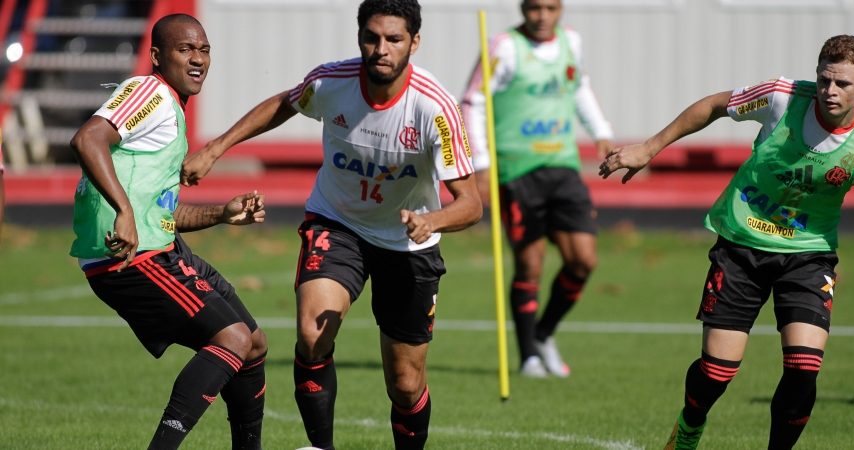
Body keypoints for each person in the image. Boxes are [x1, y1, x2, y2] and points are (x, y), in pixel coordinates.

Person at [181, 1, 482, 448]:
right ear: (359, 35)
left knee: (405, 383)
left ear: (414, 43)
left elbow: (471, 204)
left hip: (408, 243)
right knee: (311, 333)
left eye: (394, 39)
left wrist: (430, 220)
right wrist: (216, 147)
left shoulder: (434, 108)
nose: (381, 49)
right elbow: (284, 103)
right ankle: (321, 447)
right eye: (371, 37)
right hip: (337, 223)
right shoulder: (330, 82)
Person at [599, 34, 854, 449]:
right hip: (742, 244)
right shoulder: (781, 97)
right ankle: (690, 426)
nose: (829, 91)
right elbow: (713, 106)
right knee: (717, 372)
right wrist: (649, 148)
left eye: (842, 84)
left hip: (808, 256)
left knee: (804, 367)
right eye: (823, 80)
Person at [69, 14, 268, 450]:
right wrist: (121, 210)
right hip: (126, 256)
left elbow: (162, 214)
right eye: (185, 50)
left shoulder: (170, 110)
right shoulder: (148, 91)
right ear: (158, 56)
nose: (197, 59)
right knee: (232, 338)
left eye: (204, 50)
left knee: (252, 342)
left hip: (159, 246)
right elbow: (87, 139)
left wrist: (221, 213)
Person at [460, 0, 614, 378]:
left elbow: (579, 88)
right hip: (517, 170)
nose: (542, 16)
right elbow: (473, 101)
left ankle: (544, 333)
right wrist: (481, 164)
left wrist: (602, 133)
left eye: (550, 7)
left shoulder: (570, 43)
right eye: (533, 8)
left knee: (583, 259)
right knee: (530, 263)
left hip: (562, 165)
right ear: (522, 8)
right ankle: (529, 355)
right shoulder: (503, 46)